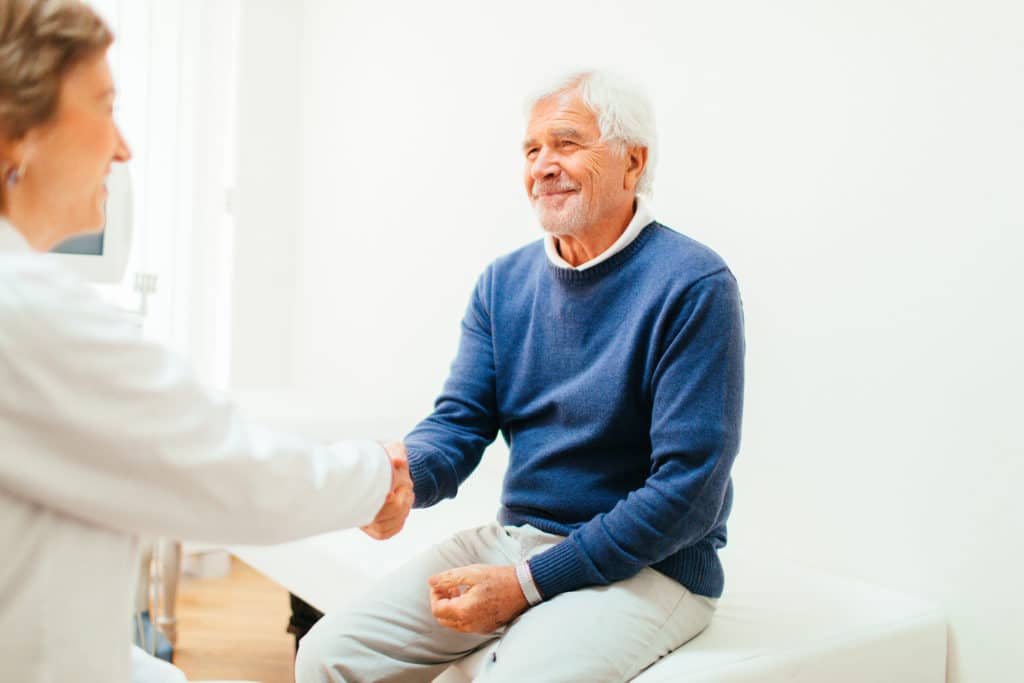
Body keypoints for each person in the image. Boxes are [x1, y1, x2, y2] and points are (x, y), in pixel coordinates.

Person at [0, 2, 414, 682]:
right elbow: (231, 474)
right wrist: (376, 473)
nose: (123, 145)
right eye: (104, 105)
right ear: (16, 131)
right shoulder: (31, 312)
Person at [296, 70, 745, 682]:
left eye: (566, 143)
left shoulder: (693, 285)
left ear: (632, 162)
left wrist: (525, 585)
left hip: (653, 566)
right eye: (532, 150)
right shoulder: (503, 284)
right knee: (327, 654)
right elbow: (459, 421)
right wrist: (402, 478)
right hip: (520, 539)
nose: (542, 166)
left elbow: (688, 495)